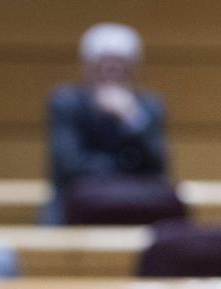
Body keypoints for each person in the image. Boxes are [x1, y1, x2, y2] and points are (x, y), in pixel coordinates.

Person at [45, 22, 169, 219]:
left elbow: (158, 167)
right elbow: (68, 168)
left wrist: (132, 119)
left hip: (137, 205)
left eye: (120, 65)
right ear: (87, 68)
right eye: (103, 65)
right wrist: (124, 166)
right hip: (75, 206)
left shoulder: (149, 106)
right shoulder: (66, 102)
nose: (111, 72)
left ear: (133, 70)